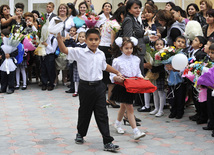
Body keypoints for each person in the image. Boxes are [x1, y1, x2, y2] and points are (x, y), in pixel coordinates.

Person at [56, 28, 121, 151]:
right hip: (85, 87)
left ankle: (107, 141)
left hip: (99, 87)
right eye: (90, 39)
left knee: (102, 114)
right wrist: (59, 37)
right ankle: (80, 133)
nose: (93, 42)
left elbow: (104, 66)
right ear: (85, 40)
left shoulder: (101, 54)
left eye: (96, 39)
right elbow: (64, 50)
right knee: (85, 112)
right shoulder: (79, 52)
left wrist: (116, 71)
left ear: (100, 40)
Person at [110, 37, 146, 140]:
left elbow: (138, 72)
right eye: (126, 48)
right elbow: (112, 75)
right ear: (121, 48)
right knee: (129, 107)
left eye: (130, 48)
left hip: (132, 86)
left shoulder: (136, 59)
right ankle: (136, 131)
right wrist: (117, 77)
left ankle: (117, 123)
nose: (129, 50)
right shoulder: (117, 61)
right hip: (122, 86)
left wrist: (142, 79)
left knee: (123, 106)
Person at [99, 6, 126, 108]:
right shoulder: (116, 25)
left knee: (104, 76)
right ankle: (110, 99)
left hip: (102, 48)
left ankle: (105, 99)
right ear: (121, 15)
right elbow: (112, 41)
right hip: (108, 49)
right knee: (111, 76)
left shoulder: (108, 21)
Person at [165, 36, 187, 119]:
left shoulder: (183, 55)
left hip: (180, 80)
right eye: (179, 41)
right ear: (174, 43)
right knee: (172, 97)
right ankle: (173, 111)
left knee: (180, 97)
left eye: (182, 42)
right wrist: (168, 67)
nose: (180, 43)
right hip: (171, 79)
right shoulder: (170, 54)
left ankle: (179, 112)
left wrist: (177, 69)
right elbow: (166, 66)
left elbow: (185, 67)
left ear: (184, 45)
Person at [148, 39, 166, 117]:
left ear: (164, 46)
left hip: (160, 75)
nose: (158, 46)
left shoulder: (164, 55)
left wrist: (154, 68)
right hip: (154, 75)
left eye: (161, 44)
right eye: (157, 44)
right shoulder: (153, 54)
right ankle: (156, 108)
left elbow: (162, 67)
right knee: (154, 92)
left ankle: (161, 110)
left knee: (161, 92)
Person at [0, 29, 18, 94]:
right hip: (4, 61)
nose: (1, 37)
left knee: (11, 75)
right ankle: (3, 88)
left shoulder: (12, 43)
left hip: (10, 60)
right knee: (3, 74)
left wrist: (10, 55)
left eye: (2, 35)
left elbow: (16, 51)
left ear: (7, 36)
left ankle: (11, 87)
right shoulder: (3, 43)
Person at [202, 43, 214, 135]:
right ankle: (211, 124)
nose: (210, 54)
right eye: (209, 52)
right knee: (210, 107)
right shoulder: (209, 63)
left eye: (212, 53)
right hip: (210, 88)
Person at [72, 31, 87, 97]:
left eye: (83, 37)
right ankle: (76, 90)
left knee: (83, 78)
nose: (81, 38)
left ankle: (82, 90)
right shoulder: (76, 45)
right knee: (76, 78)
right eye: (80, 37)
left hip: (83, 64)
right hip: (76, 63)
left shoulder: (85, 46)